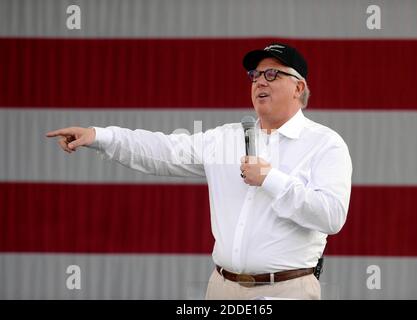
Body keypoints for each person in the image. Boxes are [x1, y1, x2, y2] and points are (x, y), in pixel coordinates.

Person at [46, 43, 352, 300]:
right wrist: (100, 136)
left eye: (272, 74)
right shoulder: (226, 138)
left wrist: (271, 179)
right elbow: (162, 150)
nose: (259, 81)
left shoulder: (325, 144)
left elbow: (331, 216)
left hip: (287, 289)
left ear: (299, 87)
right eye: (255, 75)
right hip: (221, 288)